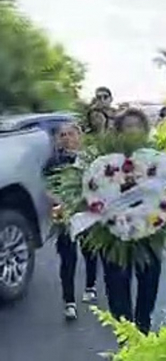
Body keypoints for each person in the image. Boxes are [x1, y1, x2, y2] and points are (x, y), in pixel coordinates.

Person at [102, 109, 161, 333]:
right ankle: (126, 337)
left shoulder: (157, 156)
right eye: (128, 125)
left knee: (149, 284)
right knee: (117, 288)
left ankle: (143, 333)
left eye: (138, 125)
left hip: (150, 232)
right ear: (119, 130)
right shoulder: (106, 159)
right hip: (115, 234)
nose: (134, 130)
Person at [44, 123, 100, 320]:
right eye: (63, 135)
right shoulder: (54, 161)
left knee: (90, 250)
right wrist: (58, 200)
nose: (67, 138)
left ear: (80, 136)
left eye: (71, 134)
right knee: (67, 256)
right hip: (63, 211)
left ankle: (90, 286)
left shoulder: (91, 159)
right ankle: (69, 301)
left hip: (87, 210)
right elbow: (47, 187)